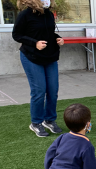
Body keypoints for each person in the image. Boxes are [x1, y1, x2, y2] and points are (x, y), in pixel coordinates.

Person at [12, 0, 64, 137]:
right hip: (31, 56)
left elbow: (48, 33)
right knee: (39, 90)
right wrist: (34, 43)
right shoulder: (25, 15)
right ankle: (36, 123)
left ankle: (50, 120)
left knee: (53, 90)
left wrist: (58, 38)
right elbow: (16, 35)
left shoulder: (48, 14)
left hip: (50, 56)